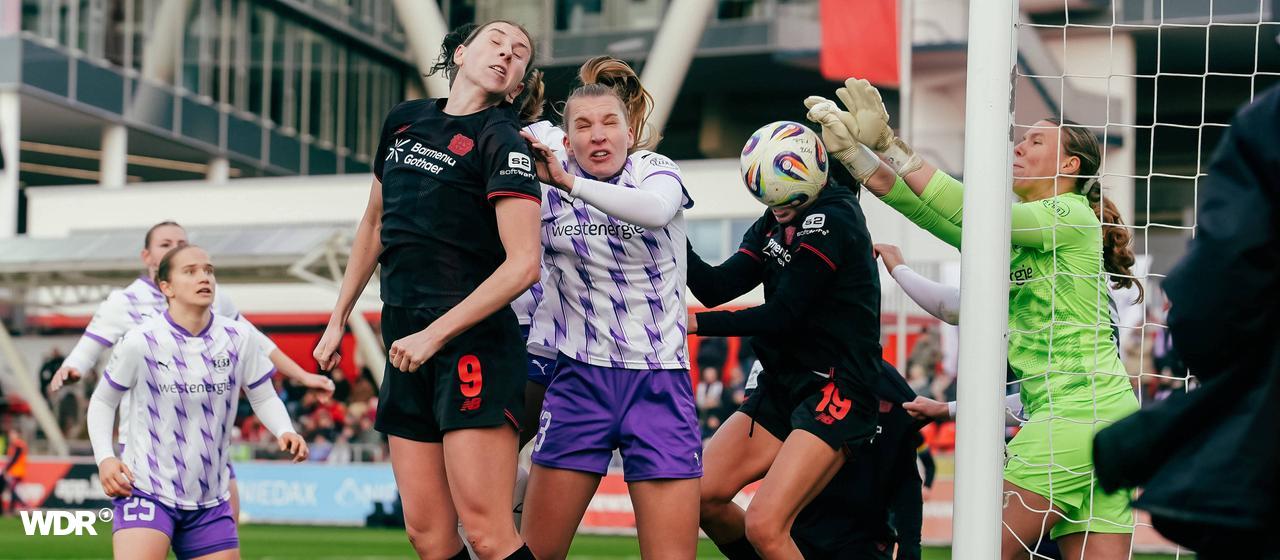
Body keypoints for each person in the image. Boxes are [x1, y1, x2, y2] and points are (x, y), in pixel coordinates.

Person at [806, 78, 1144, 559]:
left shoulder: (1069, 214)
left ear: (1069, 165)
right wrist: (857, 159)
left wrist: (889, 144)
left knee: (983, 551)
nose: (1020, 146)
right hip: (1106, 419)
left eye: (1036, 140)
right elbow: (927, 213)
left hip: (1072, 417)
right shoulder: (1016, 236)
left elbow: (969, 208)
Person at [312, 20, 544, 560]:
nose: (507, 54)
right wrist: (337, 318)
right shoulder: (404, 121)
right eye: (496, 42)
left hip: (471, 344)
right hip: (402, 336)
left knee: (486, 534)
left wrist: (434, 335)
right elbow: (373, 223)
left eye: (519, 54)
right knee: (429, 537)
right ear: (461, 52)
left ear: (516, 84)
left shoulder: (502, 140)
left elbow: (524, 266)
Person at [517, 55, 701, 560]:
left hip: (658, 380)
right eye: (582, 126)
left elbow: (658, 211)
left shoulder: (652, 170)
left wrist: (570, 182)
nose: (597, 135)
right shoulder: (543, 185)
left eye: (609, 123)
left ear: (629, 130)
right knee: (535, 553)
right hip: (579, 380)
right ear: (567, 138)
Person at [1093, 85, 1280, 559]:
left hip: (1086, 406)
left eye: (1035, 142)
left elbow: (1216, 291)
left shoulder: (1268, 120)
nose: (1018, 149)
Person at [47, 220, 332, 521]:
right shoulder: (124, 303)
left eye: (181, 243)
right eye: (165, 244)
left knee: (226, 526)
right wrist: (72, 368)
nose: (176, 249)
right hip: (147, 442)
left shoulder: (213, 296)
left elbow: (256, 342)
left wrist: (302, 375)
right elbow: (88, 350)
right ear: (147, 257)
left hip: (206, 441)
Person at [689, 124, 885, 560]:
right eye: (767, 202)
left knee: (765, 525)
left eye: (782, 202)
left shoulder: (833, 218)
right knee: (701, 495)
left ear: (813, 180)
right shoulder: (774, 219)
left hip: (838, 386)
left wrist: (698, 326)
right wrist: (663, 228)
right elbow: (716, 286)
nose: (774, 211)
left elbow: (783, 316)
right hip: (783, 384)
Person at [87, 245, 308, 560]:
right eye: (190, 271)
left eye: (208, 270)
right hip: (147, 491)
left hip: (210, 501)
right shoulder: (141, 341)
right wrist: (105, 458)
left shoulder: (238, 338)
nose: (204, 277)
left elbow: (262, 393)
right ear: (166, 287)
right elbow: (102, 402)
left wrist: (284, 429)